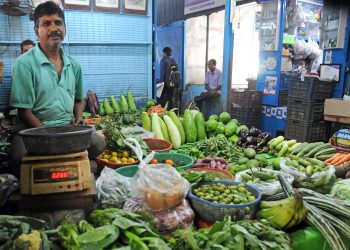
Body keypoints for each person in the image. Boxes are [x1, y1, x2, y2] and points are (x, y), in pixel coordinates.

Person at [9, 1, 105, 176]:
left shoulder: (74, 65)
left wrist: (77, 118)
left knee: (99, 144)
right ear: (36, 30)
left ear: (65, 28)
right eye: (46, 23)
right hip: (33, 130)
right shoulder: (24, 64)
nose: (54, 28)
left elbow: (78, 100)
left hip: (67, 128)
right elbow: (24, 112)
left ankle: (69, 164)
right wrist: (48, 137)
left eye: (58, 23)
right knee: (18, 159)